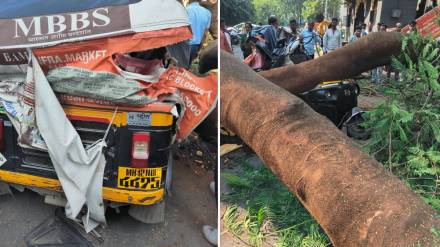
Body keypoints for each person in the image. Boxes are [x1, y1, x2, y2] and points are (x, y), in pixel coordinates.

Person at [186, 0, 212, 65]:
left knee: (176, 70)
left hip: (182, 45)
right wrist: (199, 49)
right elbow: (205, 34)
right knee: (185, 70)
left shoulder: (184, 10)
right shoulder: (207, 13)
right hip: (195, 47)